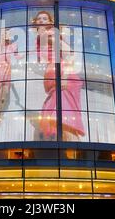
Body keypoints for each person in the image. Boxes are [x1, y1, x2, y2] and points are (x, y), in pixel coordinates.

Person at [31, 10, 85, 141]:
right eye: (39, 19)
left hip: (62, 73)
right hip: (54, 72)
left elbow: (69, 55)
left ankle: (64, 141)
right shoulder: (41, 38)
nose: (42, 20)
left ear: (50, 22)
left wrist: (65, 77)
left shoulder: (51, 35)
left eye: (45, 18)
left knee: (59, 111)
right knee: (53, 110)